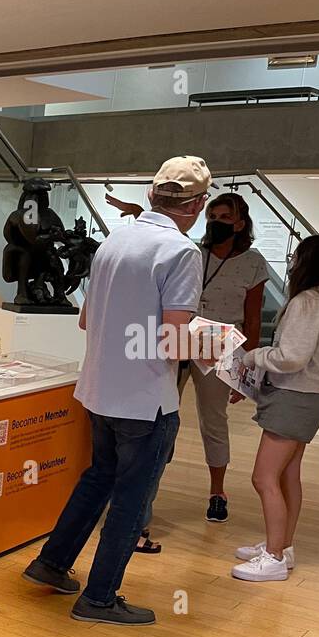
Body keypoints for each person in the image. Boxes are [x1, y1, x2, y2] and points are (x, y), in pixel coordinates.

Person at [22, 156, 210, 626]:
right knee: (131, 496)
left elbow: (87, 319)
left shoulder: (113, 242)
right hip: (147, 398)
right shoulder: (182, 252)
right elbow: (172, 339)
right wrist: (210, 345)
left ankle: (52, 561)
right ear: (198, 204)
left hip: (100, 389)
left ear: (151, 195)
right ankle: (99, 597)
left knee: (99, 477)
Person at [105, 192, 269, 540]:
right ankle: (143, 501)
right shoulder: (192, 250)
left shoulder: (253, 262)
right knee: (160, 415)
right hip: (181, 335)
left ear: (240, 223)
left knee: (213, 418)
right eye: (212, 215)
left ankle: (217, 491)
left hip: (220, 345)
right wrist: (138, 213)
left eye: (225, 217)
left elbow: (253, 320)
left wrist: (245, 372)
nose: (216, 222)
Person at [231, 235, 319, 582]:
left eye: (296, 256)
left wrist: (253, 356)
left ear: (305, 262)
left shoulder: (307, 302)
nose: (291, 262)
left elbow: (291, 357)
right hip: (309, 399)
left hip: (292, 399)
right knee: (287, 475)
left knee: (263, 477)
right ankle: (281, 544)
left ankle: (274, 556)